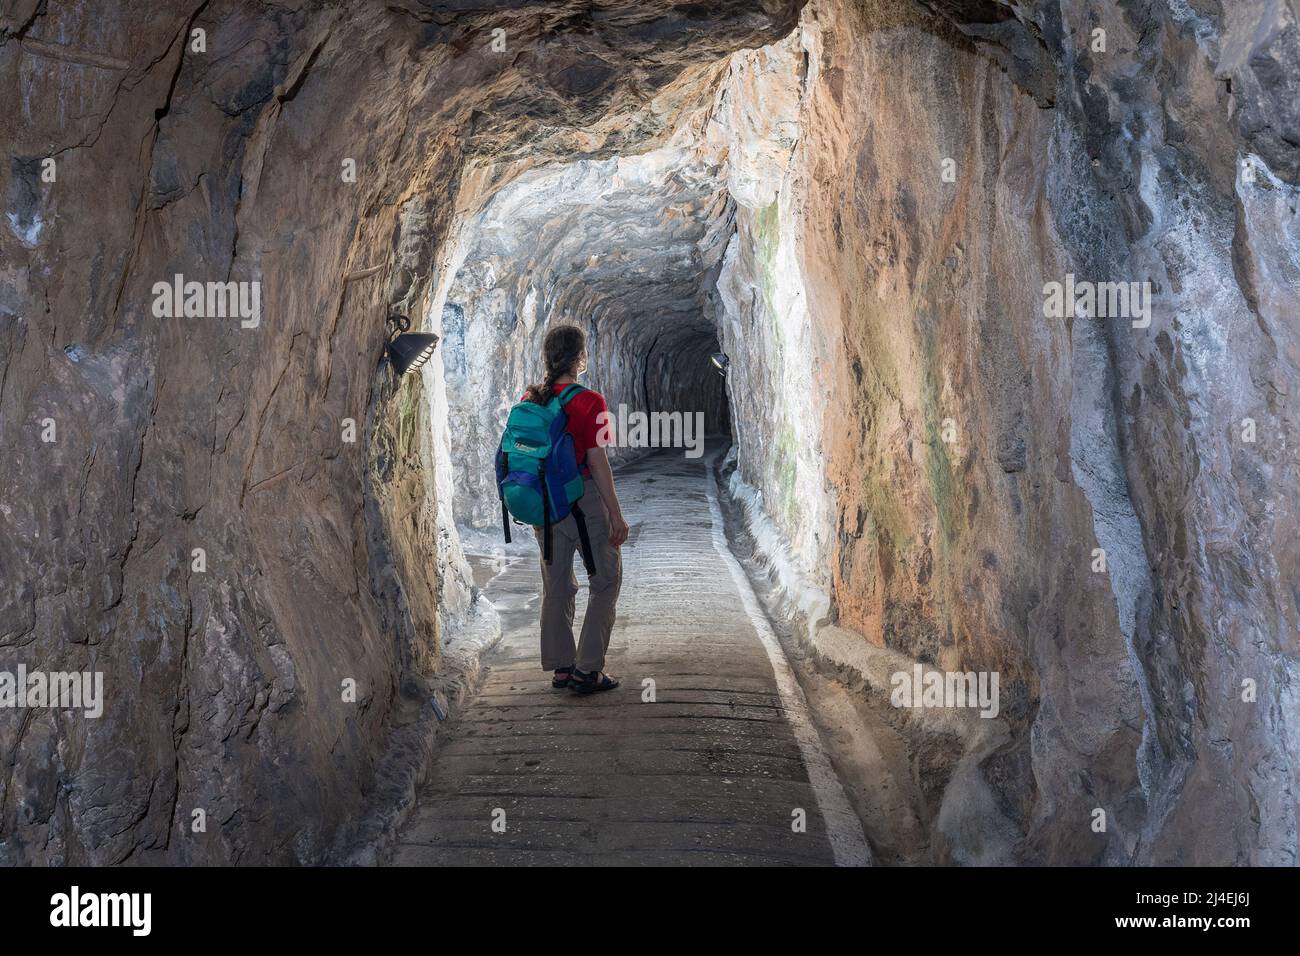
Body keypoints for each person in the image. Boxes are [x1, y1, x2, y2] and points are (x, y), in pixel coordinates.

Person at [522, 325, 629, 694]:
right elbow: (597, 462)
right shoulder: (590, 401)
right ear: (580, 358)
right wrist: (615, 513)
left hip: (545, 503)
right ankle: (588, 670)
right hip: (583, 500)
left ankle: (562, 667)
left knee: (557, 586)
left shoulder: (531, 398)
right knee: (606, 581)